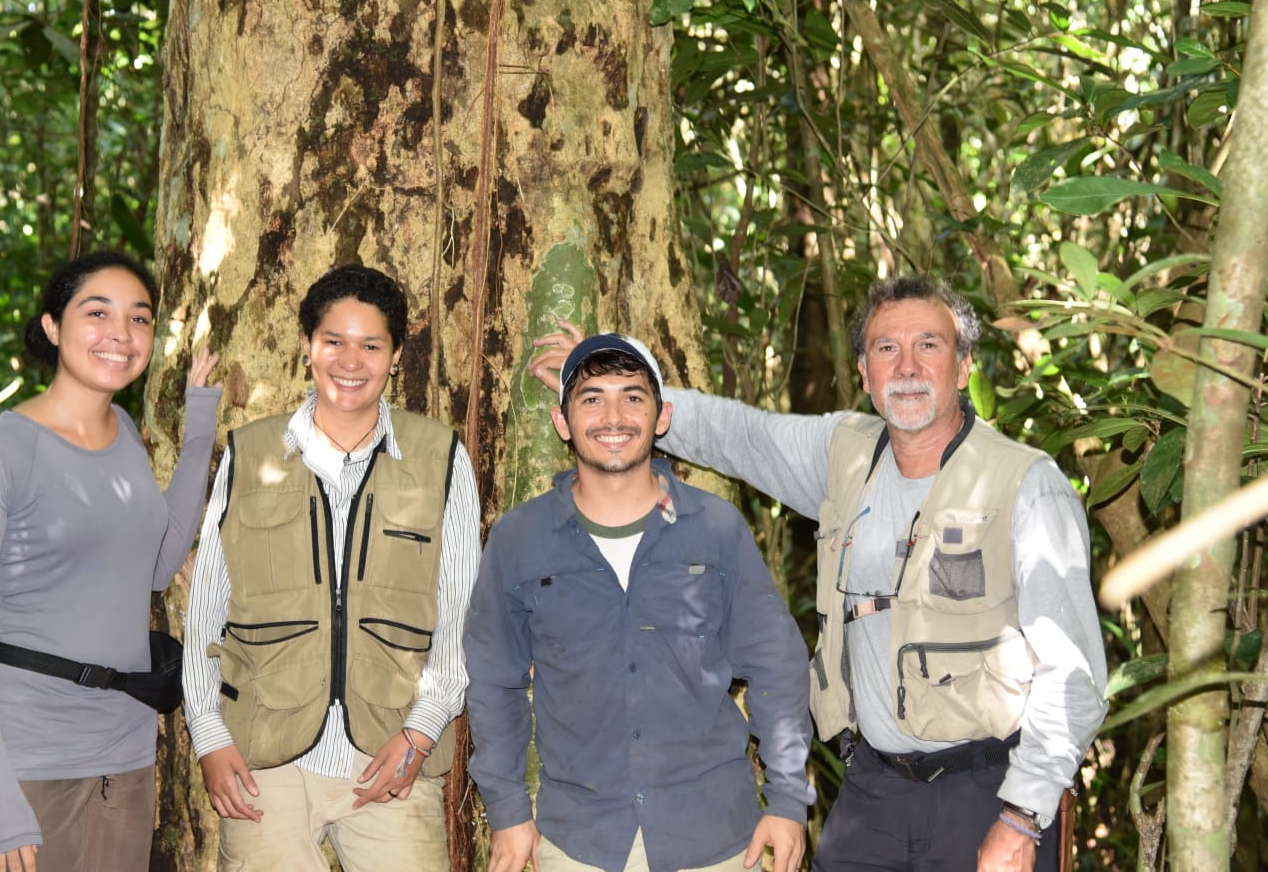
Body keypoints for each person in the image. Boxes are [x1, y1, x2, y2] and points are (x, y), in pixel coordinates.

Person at [530, 279, 1108, 872]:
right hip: (874, 790)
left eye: (928, 346)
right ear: (864, 372)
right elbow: (741, 436)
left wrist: (1022, 815)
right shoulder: (845, 454)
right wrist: (617, 393)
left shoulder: (1025, 483)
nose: (906, 366)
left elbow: (1075, 673)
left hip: (988, 787)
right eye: (886, 349)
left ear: (962, 367)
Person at [468, 333, 815, 872]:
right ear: (563, 423)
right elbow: (494, 679)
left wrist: (789, 798)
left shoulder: (716, 529)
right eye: (591, 398)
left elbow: (777, 665)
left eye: (632, 397)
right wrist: (508, 809)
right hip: (580, 841)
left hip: (717, 839)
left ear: (662, 417)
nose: (613, 416)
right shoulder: (520, 539)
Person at [0, 250, 222, 872]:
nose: (121, 333)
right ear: (54, 327)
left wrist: (200, 429)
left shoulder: (121, 433)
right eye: (98, 312)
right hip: (24, 763)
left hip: (124, 754)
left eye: (139, 319)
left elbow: (156, 566)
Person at [183, 264, 481, 871]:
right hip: (264, 758)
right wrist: (209, 737)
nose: (351, 361)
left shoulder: (440, 458)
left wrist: (422, 732)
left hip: (392, 753)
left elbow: (461, 615)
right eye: (334, 342)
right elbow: (206, 609)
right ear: (307, 347)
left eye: (371, 345)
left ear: (395, 356)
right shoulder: (251, 452)